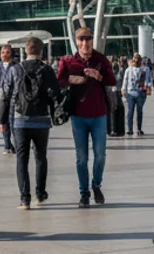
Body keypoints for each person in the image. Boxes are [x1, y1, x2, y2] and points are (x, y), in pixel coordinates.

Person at [56, 25, 116, 208]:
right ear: (76, 41)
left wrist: (99, 76)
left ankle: (96, 184)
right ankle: (84, 193)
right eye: (81, 39)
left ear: (92, 40)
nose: (85, 42)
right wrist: (70, 80)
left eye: (88, 38)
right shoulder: (68, 61)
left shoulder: (101, 59)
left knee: (100, 155)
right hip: (78, 115)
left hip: (99, 114)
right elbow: (57, 81)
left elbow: (112, 81)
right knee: (81, 157)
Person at [0, 36, 59, 209]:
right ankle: (40, 194)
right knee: (40, 157)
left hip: (20, 121)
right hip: (42, 120)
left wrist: (2, 120)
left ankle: (25, 199)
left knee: (21, 159)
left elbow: (5, 96)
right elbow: (55, 94)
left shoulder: (15, 69)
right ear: (41, 51)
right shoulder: (47, 70)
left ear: (25, 50)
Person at [122, 53, 150, 136]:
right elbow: (125, 80)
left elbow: (148, 79)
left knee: (139, 111)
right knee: (130, 111)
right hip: (130, 93)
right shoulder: (128, 70)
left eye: (138, 60)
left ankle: (139, 128)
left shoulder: (145, 69)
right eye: (134, 60)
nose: (136, 62)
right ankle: (130, 129)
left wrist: (148, 88)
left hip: (141, 92)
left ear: (141, 61)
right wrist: (123, 89)